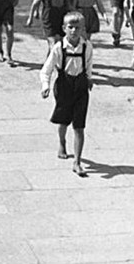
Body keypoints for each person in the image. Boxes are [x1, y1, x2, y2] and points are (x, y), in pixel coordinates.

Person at [40, 11, 94, 177]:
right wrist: (45, 86)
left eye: (77, 28)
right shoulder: (58, 48)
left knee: (79, 126)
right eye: (70, 27)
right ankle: (62, 142)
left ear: (82, 29)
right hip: (64, 85)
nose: (74, 31)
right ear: (64, 28)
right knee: (63, 121)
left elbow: (89, 63)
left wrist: (89, 78)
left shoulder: (87, 46)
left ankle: (77, 161)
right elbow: (46, 70)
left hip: (80, 87)